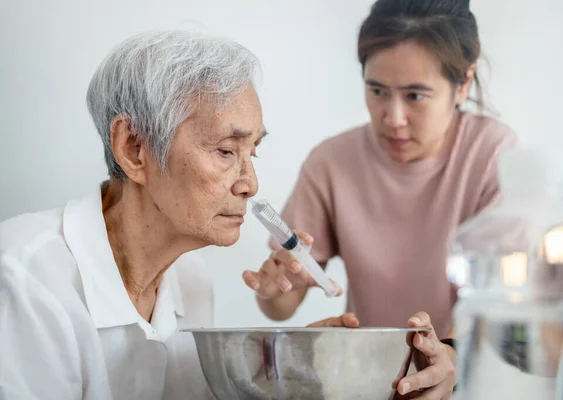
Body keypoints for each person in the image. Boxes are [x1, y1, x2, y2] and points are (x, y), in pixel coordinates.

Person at [0, 30, 363, 400]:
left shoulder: (191, 281)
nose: (250, 185)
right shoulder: (24, 281)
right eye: (225, 151)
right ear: (133, 148)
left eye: (251, 152)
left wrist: (280, 376)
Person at [244, 0, 518, 397]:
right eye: (376, 90)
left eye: (415, 96)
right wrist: (274, 291)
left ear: (463, 84)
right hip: (370, 382)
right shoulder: (331, 163)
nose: (393, 118)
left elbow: (499, 294)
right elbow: (284, 302)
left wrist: (450, 355)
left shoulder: (494, 155)